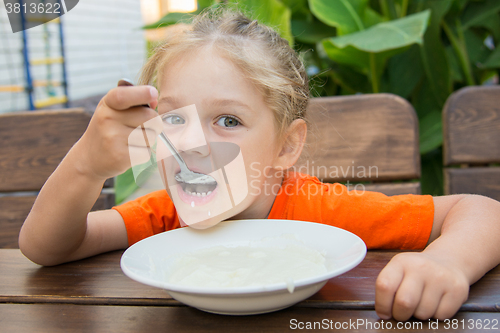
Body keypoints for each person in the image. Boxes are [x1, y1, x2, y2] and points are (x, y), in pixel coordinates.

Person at [19, 8, 500, 322]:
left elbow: (481, 211)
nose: (194, 143)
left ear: (287, 147)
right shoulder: (162, 217)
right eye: (174, 117)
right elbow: (47, 247)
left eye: (227, 119)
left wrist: (446, 261)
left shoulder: (319, 211)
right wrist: (87, 165)